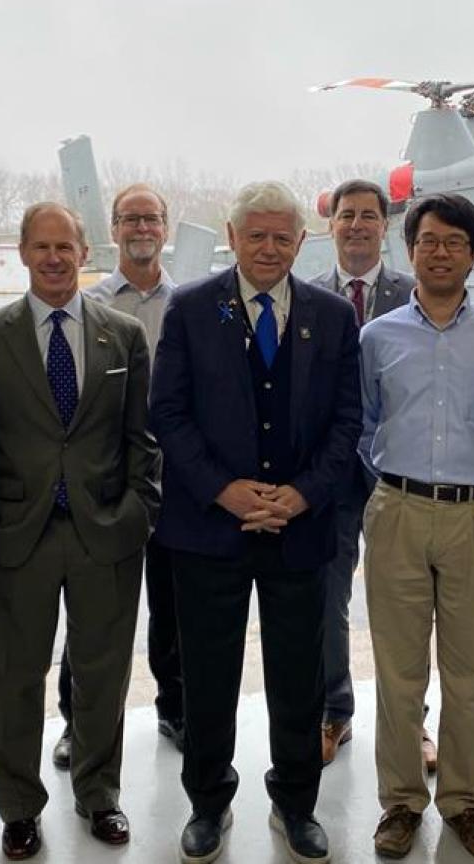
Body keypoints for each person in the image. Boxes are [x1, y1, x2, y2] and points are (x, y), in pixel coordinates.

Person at [149, 180, 361, 864]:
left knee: (299, 677)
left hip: (300, 529)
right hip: (209, 531)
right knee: (207, 677)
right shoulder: (188, 310)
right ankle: (208, 804)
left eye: (283, 237)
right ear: (232, 237)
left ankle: (296, 803)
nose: (269, 248)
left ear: (302, 242)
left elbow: (347, 422)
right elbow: (168, 416)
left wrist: (300, 495)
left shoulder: (331, 317)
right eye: (256, 235)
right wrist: (223, 491)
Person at [0, 202, 159, 859]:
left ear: (83, 253)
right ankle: (19, 809)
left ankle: (99, 796)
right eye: (40, 246)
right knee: (15, 678)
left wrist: (138, 511)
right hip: (18, 535)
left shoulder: (122, 334)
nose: (52, 258)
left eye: (64, 247)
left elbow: (142, 439)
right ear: (21, 253)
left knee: (102, 677)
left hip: (105, 532)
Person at [360, 193, 474, 862]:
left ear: (473, 253)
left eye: (454, 242)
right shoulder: (378, 337)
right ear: (411, 250)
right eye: (428, 240)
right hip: (397, 510)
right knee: (399, 672)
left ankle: (465, 803)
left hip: (472, 516)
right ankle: (401, 803)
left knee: (470, 671)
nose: (439, 251)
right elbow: (365, 420)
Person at [52, 183, 182, 772]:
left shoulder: (189, 304)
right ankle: (75, 723)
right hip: (109, 479)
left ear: (165, 228)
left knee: (174, 606)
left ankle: (174, 710)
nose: (142, 229)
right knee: (94, 611)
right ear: (114, 228)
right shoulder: (90, 306)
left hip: (177, 479)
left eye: (151, 219)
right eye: (131, 219)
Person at [309, 178, 437, 772]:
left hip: (396, 474)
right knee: (326, 599)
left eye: (368, 216)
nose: (357, 225)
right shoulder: (304, 299)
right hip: (330, 478)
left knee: (406, 604)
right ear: (330, 225)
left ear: (383, 227)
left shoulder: (415, 297)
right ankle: (335, 711)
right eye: (346, 215)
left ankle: (412, 722)